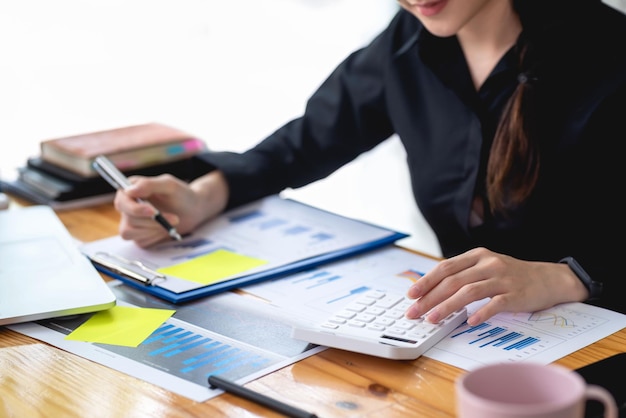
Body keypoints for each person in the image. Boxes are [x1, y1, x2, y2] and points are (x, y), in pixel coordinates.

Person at [113, 0, 626, 325]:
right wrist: (201, 196)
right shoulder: (404, 47)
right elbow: (304, 144)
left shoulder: (608, 54)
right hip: (468, 338)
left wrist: (566, 278)